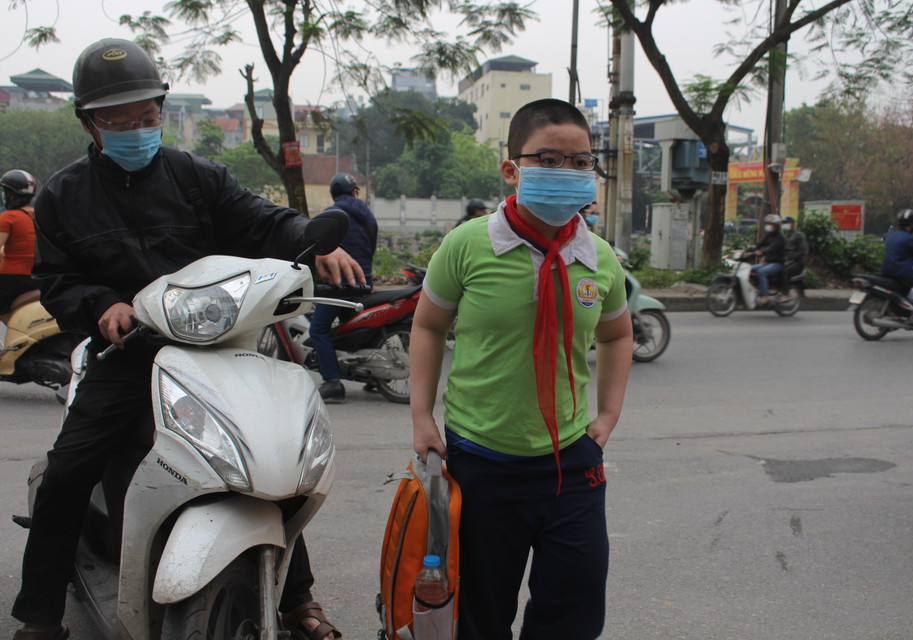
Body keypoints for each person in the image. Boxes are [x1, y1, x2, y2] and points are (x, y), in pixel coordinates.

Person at [10, 38, 360, 640]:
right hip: (127, 355)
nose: (136, 129)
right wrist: (102, 307)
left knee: (263, 460)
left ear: (161, 110)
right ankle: (40, 614)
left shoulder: (198, 177)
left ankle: (298, 596)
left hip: (216, 349)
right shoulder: (63, 196)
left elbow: (264, 220)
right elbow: (55, 281)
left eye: (146, 117)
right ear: (90, 123)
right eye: (119, 122)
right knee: (68, 471)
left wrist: (312, 237)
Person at [410, 98, 633, 640]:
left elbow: (617, 333)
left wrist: (607, 415)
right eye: (550, 160)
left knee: (574, 609)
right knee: (482, 615)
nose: (570, 173)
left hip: (572, 463)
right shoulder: (467, 245)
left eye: (582, 163)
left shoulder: (599, 257)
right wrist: (421, 415)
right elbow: (428, 326)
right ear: (512, 170)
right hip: (482, 463)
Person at [309, 172, 378, 403]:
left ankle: (332, 382)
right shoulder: (368, 215)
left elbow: (318, 247)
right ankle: (371, 374)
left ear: (332, 194)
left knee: (318, 329)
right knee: (354, 329)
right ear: (355, 192)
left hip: (341, 284)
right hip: (364, 281)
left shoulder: (331, 216)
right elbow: (371, 247)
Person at [0, 170, 38, 318]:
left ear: (10, 195)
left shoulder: (9, 217)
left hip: (12, 278)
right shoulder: (37, 216)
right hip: (36, 275)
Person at [748, 214, 785, 306]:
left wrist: (761, 253)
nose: (768, 225)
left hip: (777, 264)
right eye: (767, 223)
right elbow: (759, 244)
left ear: (776, 226)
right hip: (768, 262)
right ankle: (757, 289)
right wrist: (749, 250)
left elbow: (771, 248)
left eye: (770, 223)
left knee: (761, 272)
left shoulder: (779, 238)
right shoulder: (769, 236)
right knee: (750, 269)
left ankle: (765, 296)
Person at [777, 215, 808, 303]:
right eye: (784, 223)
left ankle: (786, 294)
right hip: (787, 261)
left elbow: (803, 250)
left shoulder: (798, 235)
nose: (785, 225)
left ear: (792, 224)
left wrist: (791, 257)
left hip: (797, 262)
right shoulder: (785, 236)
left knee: (784, 271)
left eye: (787, 223)